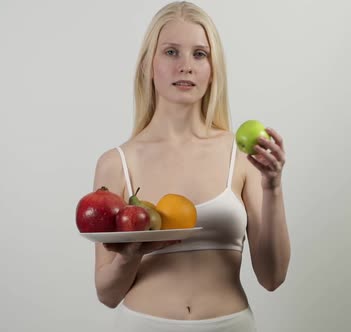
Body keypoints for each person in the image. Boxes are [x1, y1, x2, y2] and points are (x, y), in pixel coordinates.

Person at [92, 2, 290, 331]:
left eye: (199, 54)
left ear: (214, 69)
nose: (186, 66)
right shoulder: (115, 163)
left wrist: (273, 187)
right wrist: (129, 255)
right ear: (147, 65)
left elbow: (273, 277)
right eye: (171, 52)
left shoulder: (242, 156)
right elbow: (107, 294)